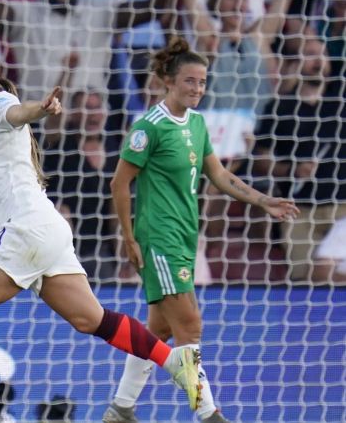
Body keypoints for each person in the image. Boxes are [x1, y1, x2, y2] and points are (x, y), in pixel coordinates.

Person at [0, 52, 203, 423]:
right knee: (92, 320)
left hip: (26, 228)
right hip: (46, 228)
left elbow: (19, 113)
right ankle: (174, 361)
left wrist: (41, 108)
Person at [105, 38, 299, 423]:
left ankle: (121, 408)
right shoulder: (149, 127)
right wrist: (129, 238)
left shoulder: (197, 123)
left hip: (184, 236)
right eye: (190, 81)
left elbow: (220, 174)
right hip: (157, 237)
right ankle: (208, 413)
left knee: (158, 329)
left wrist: (263, 201)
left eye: (202, 82)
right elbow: (118, 184)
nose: (197, 89)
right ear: (169, 82)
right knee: (190, 323)